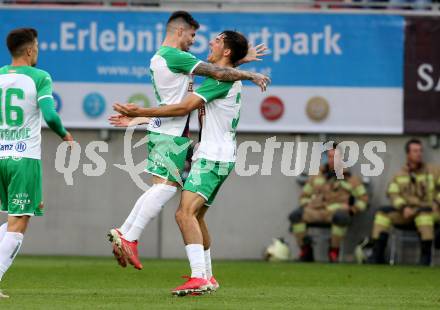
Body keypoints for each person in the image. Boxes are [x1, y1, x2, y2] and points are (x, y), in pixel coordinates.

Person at [107, 10, 269, 272]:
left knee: (177, 202)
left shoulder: (171, 59)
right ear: (179, 31)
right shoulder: (176, 56)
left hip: (178, 136)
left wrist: (239, 63)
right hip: (175, 136)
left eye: (211, 39)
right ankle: (130, 236)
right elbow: (214, 76)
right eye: (193, 35)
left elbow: (217, 75)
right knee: (169, 193)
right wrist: (247, 72)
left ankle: (130, 236)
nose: (198, 41)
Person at [0, 28, 73, 298]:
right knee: (20, 222)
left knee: (14, 219)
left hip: (1, 156)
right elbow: (51, 115)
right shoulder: (39, 77)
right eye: (38, 47)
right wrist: (64, 134)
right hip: (24, 158)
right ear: (30, 50)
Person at [288, 143, 368, 263]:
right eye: (330, 157)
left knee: (341, 217)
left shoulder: (351, 179)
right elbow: (304, 196)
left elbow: (363, 200)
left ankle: (333, 250)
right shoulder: (316, 176)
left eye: (335, 157)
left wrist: (352, 209)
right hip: (315, 211)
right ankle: (306, 250)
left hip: (335, 211)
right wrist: (307, 204)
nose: (332, 160)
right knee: (295, 216)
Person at [370, 139, 440, 266]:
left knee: (423, 217)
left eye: (420, 151)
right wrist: (403, 208)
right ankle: (377, 256)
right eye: (415, 151)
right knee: (382, 214)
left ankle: (425, 259)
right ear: (408, 154)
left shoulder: (434, 171)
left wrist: (436, 201)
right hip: (407, 212)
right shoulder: (399, 175)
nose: (419, 154)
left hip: (430, 211)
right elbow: (393, 193)